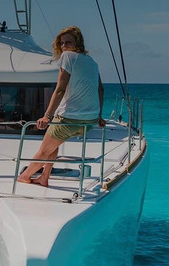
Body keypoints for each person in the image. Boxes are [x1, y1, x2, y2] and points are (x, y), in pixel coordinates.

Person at [17, 26, 105, 187]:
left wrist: (47, 116)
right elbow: (100, 89)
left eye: (68, 42)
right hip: (89, 121)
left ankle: (25, 176)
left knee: (43, 150)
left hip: (68, 118)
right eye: (62, 43)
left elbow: (60, 89)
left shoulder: (67, 57)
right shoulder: (92, 62)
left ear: (78, 42)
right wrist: (99, 116)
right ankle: (44, 178)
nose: (64, 46)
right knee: (53, 145)